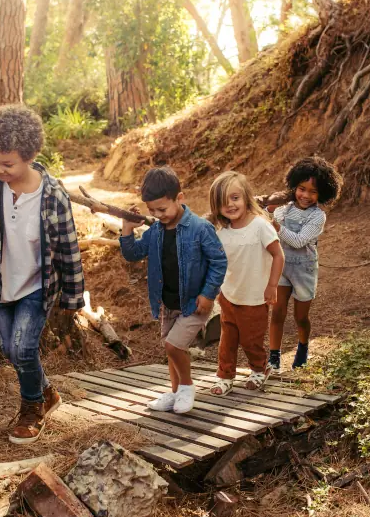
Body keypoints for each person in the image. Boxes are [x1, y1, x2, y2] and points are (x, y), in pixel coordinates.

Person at [0, 105, 85, 444]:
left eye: (8, 164)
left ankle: (32, 409)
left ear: (30, 156)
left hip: (37, 287)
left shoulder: (53, 196)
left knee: (23, 349)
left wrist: (72, 298)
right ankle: (48, 392)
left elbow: (69, 249)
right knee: (11, 349)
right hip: (1, 284)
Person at [120, 167, 227, 414]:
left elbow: (219, 261)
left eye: (162, 209)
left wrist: (209, 293)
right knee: (171, 349)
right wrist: (127, 228)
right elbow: (132, 253)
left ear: (180, 198)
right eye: (152, 211)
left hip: (194, 302)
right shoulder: (155, 232)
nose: (158, 215)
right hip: (168, 303)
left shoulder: (200, 228)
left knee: (173, 346)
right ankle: (176, 391)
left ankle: (187, 387)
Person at [208, 172, 284, 396]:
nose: (230, 205)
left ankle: (260, 368)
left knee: (251, 340)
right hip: (229, 295)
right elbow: (218, 262)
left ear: (246, 197)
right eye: (223, 202)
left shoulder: (260, 226)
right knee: (227, 340)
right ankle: (225, 375)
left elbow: (278, 255)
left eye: (234, 198)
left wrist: (272, 286)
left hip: (255, 297)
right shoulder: (221, 232)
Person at [268, 157, 343, 372]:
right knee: (277, 312)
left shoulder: (318, 217)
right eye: (302, 188)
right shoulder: (282, 211)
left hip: (304, 270)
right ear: (294, 186)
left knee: (301, 317)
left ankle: (302, 347)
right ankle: (274, 356)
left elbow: (299, 241)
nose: (306, 195)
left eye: (313, 191)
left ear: (323, 194)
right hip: (281, 266)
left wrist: (276, 226)